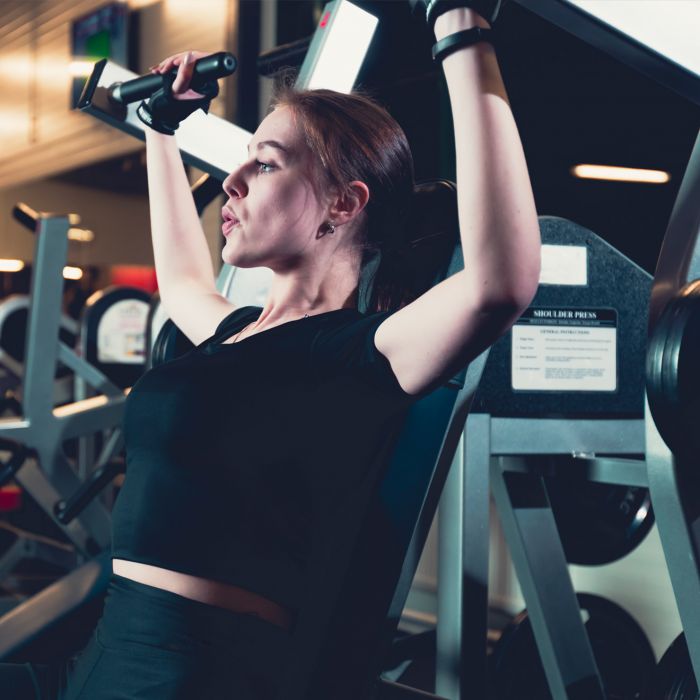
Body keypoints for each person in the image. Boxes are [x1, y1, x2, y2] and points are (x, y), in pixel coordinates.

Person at [3, 1, 540, 698]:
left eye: (264, 162)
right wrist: (161, 130)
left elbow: (501, 282)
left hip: (189, 678)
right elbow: (185, 279)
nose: (232, 180)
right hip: (98, 653)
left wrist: (458, 28)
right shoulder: (235, 333)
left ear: (343, 206)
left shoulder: (356, 356)